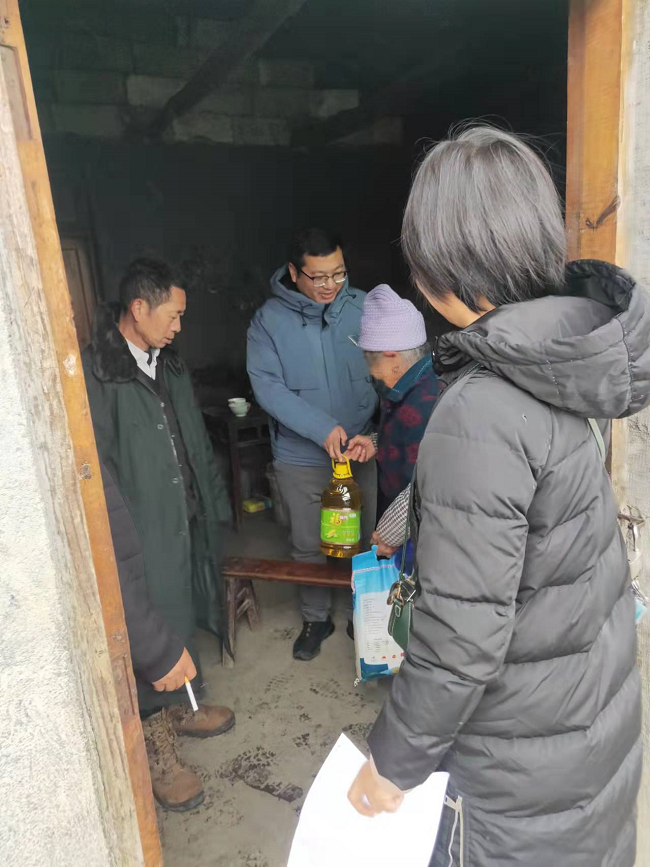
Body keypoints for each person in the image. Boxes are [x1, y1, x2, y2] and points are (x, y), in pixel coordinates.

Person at [348, 126, 645, 867]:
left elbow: (460, 638)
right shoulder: (564, 361)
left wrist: (393, 762)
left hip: (517, 777)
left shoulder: (479, 408)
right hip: (587, 731)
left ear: (443, 267)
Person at [83, 258, 235, 811]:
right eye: (172, 315)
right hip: (142, 528)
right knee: (148, 622)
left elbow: (193, 439)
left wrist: (211, 504)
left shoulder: (168, 364)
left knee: (183, 605)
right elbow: (99, 470)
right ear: (138, 308)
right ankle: (159, 752)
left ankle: (185, 704)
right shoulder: (99, 374)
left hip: (183, 513)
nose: (178, 326)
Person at [247, 229, 378, 660]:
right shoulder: (268, 321)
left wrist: (375, 434)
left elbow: (388, 371)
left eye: (338, 274)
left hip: (359, 449)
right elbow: (268, 387)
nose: (330, 285)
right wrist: (320, 428)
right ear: (293, 272)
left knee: (365, 539)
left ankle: (364, 613)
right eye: (319, 276)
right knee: (307, 544)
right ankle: (316, 618)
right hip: (300, 456)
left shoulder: (363, 307)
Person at [346, 283, 438, 520]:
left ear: (391, 357)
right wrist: (378, 442)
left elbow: (421, 490)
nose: (372, 372)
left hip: (416, 526)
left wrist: (390, 532)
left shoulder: (424, 402)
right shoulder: (413, 385)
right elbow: (408, 440)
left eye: (371, 361)